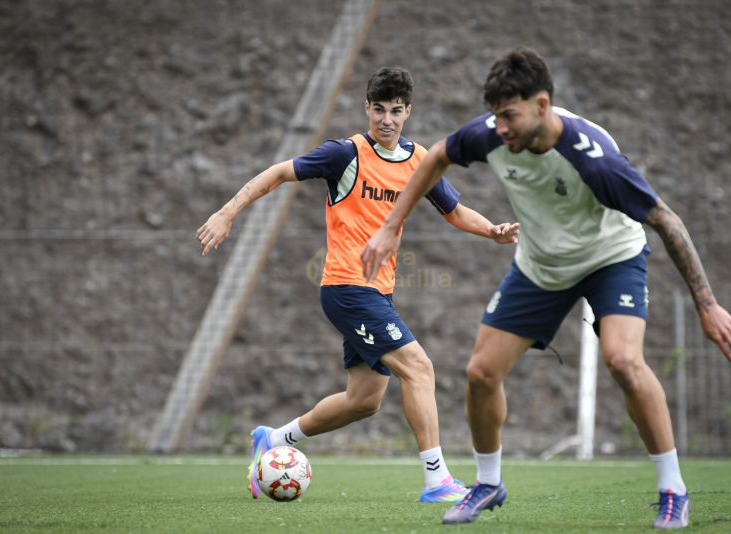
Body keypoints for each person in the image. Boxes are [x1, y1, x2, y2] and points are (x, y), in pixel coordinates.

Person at [361, 48, 731, 527]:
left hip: (610, 259)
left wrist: (706, 305)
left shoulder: (594, 160)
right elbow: (436, 156)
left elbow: (667, 220)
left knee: (624, 361)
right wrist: (391, 227)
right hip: (542, 266)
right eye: (495, 115)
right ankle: (487, 483)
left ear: (542, 105)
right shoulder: (492, 133)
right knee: (481, 373)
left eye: (510, 115)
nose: (500, 127)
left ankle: (673, 489)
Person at [196, 66, 519, 503]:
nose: (387, 119)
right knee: (419, 368)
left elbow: (455, 211)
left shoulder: (419, 160)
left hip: (378, 292)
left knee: (364, 400)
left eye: (396, 111)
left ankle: (274, 438)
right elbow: (277, 173)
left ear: (408, 112)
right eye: (379, 109)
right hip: (347, 287)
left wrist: (492, 231)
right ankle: (437, 480)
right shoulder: (344, 154)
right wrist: (226, 213)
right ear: (367, 108)